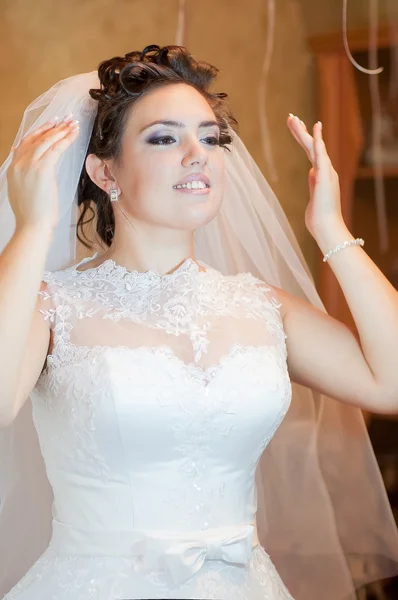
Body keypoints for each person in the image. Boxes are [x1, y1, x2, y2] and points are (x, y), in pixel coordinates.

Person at [0, 45, 398, 600]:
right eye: (165, 138)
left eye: (211, 138)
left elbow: (391, 381)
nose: (198, 155)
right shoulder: (51, 306)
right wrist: (31, 227)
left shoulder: (261, 305)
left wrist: (331, 228)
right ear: (103, 170)